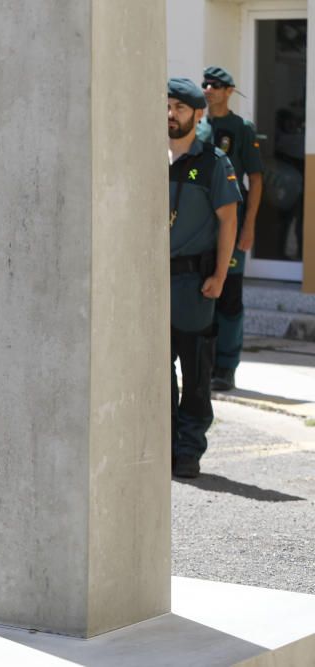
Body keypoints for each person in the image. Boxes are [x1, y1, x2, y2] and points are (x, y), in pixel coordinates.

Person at [167, 78, 240, 479]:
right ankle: (162, 447)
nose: (170, 115)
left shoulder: (214, 161)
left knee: (196, 374)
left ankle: (189, 448)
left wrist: (220, 275)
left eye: (179, 108)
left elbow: (228, 220)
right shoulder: (146, 157)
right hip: (151, 285)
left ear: (197, 114)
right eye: (166, 106)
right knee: (155, 375)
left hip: (194, 284)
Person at [196, 66, 264, 392]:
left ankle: (226, 367)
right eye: (206, 84)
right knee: (202, 295)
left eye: (216, 85)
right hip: (201, 229)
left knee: (230, 299)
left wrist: (248, 226)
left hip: (232, 226)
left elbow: (257, 179)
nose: (209, 89)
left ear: (229, 91)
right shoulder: (197, 127)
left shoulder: (241, 128)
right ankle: (203, 366)